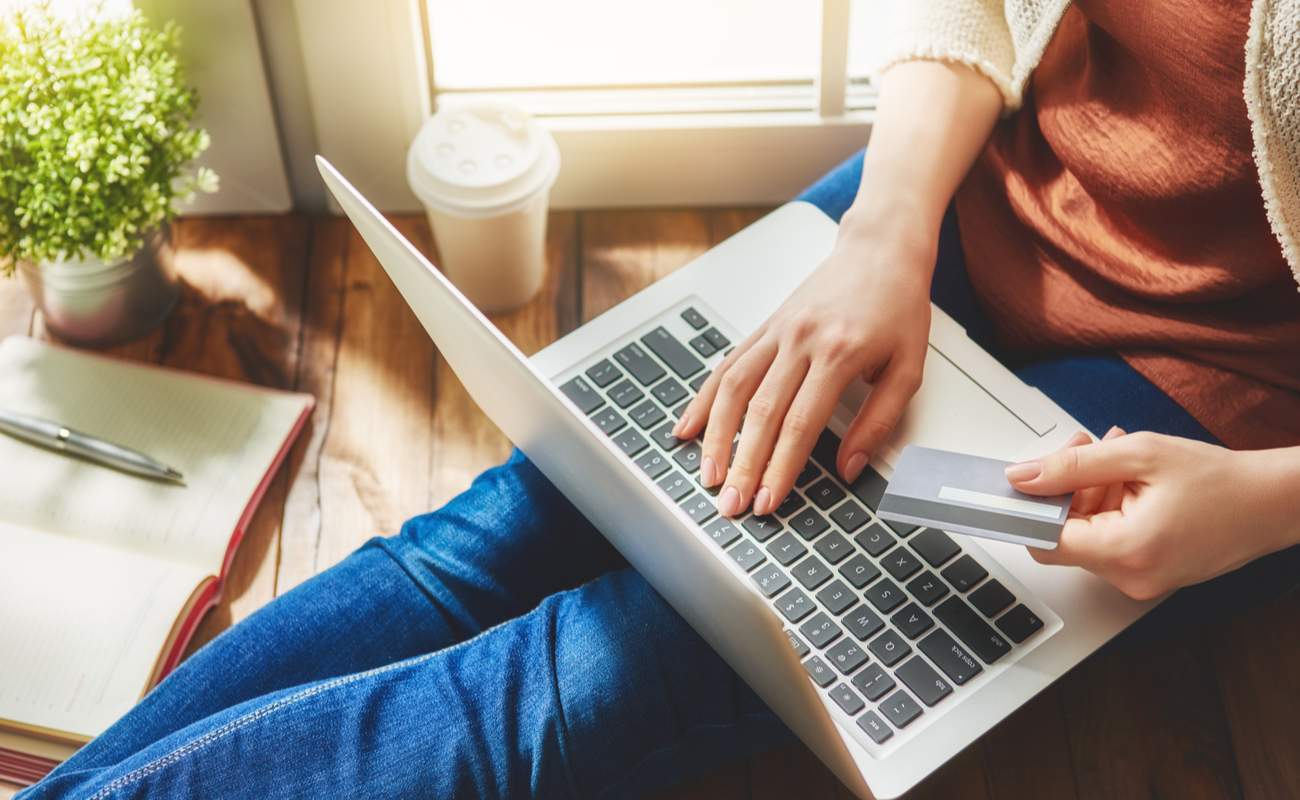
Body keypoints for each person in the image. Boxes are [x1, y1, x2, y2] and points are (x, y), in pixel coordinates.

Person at [21, 2, 1300, 798]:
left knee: (588, 672)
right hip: (963, 192)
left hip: (1220, 399)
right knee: (500, 528)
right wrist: (886, 232)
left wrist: (1260, 502)